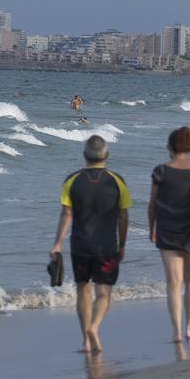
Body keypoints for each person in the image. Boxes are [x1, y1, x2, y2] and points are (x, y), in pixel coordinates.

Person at [49, 135, 130, 355]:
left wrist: (57, 243)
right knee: (103, 293)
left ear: (85, 155)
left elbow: (67, 214)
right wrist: (122, 245)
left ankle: (86, 339)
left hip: (80, 244)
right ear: (107, 155)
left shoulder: (72, 180)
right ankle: (95, 327)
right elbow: (123, 217)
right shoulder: (117, 180)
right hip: (106, 245)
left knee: (82, 290)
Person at [149, 127, 190, 343]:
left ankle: (176, 332)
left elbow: (152, 204)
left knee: (173, 283)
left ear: (169, 147)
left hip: (167, 232)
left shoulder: (160, 171)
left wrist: (152, 228)